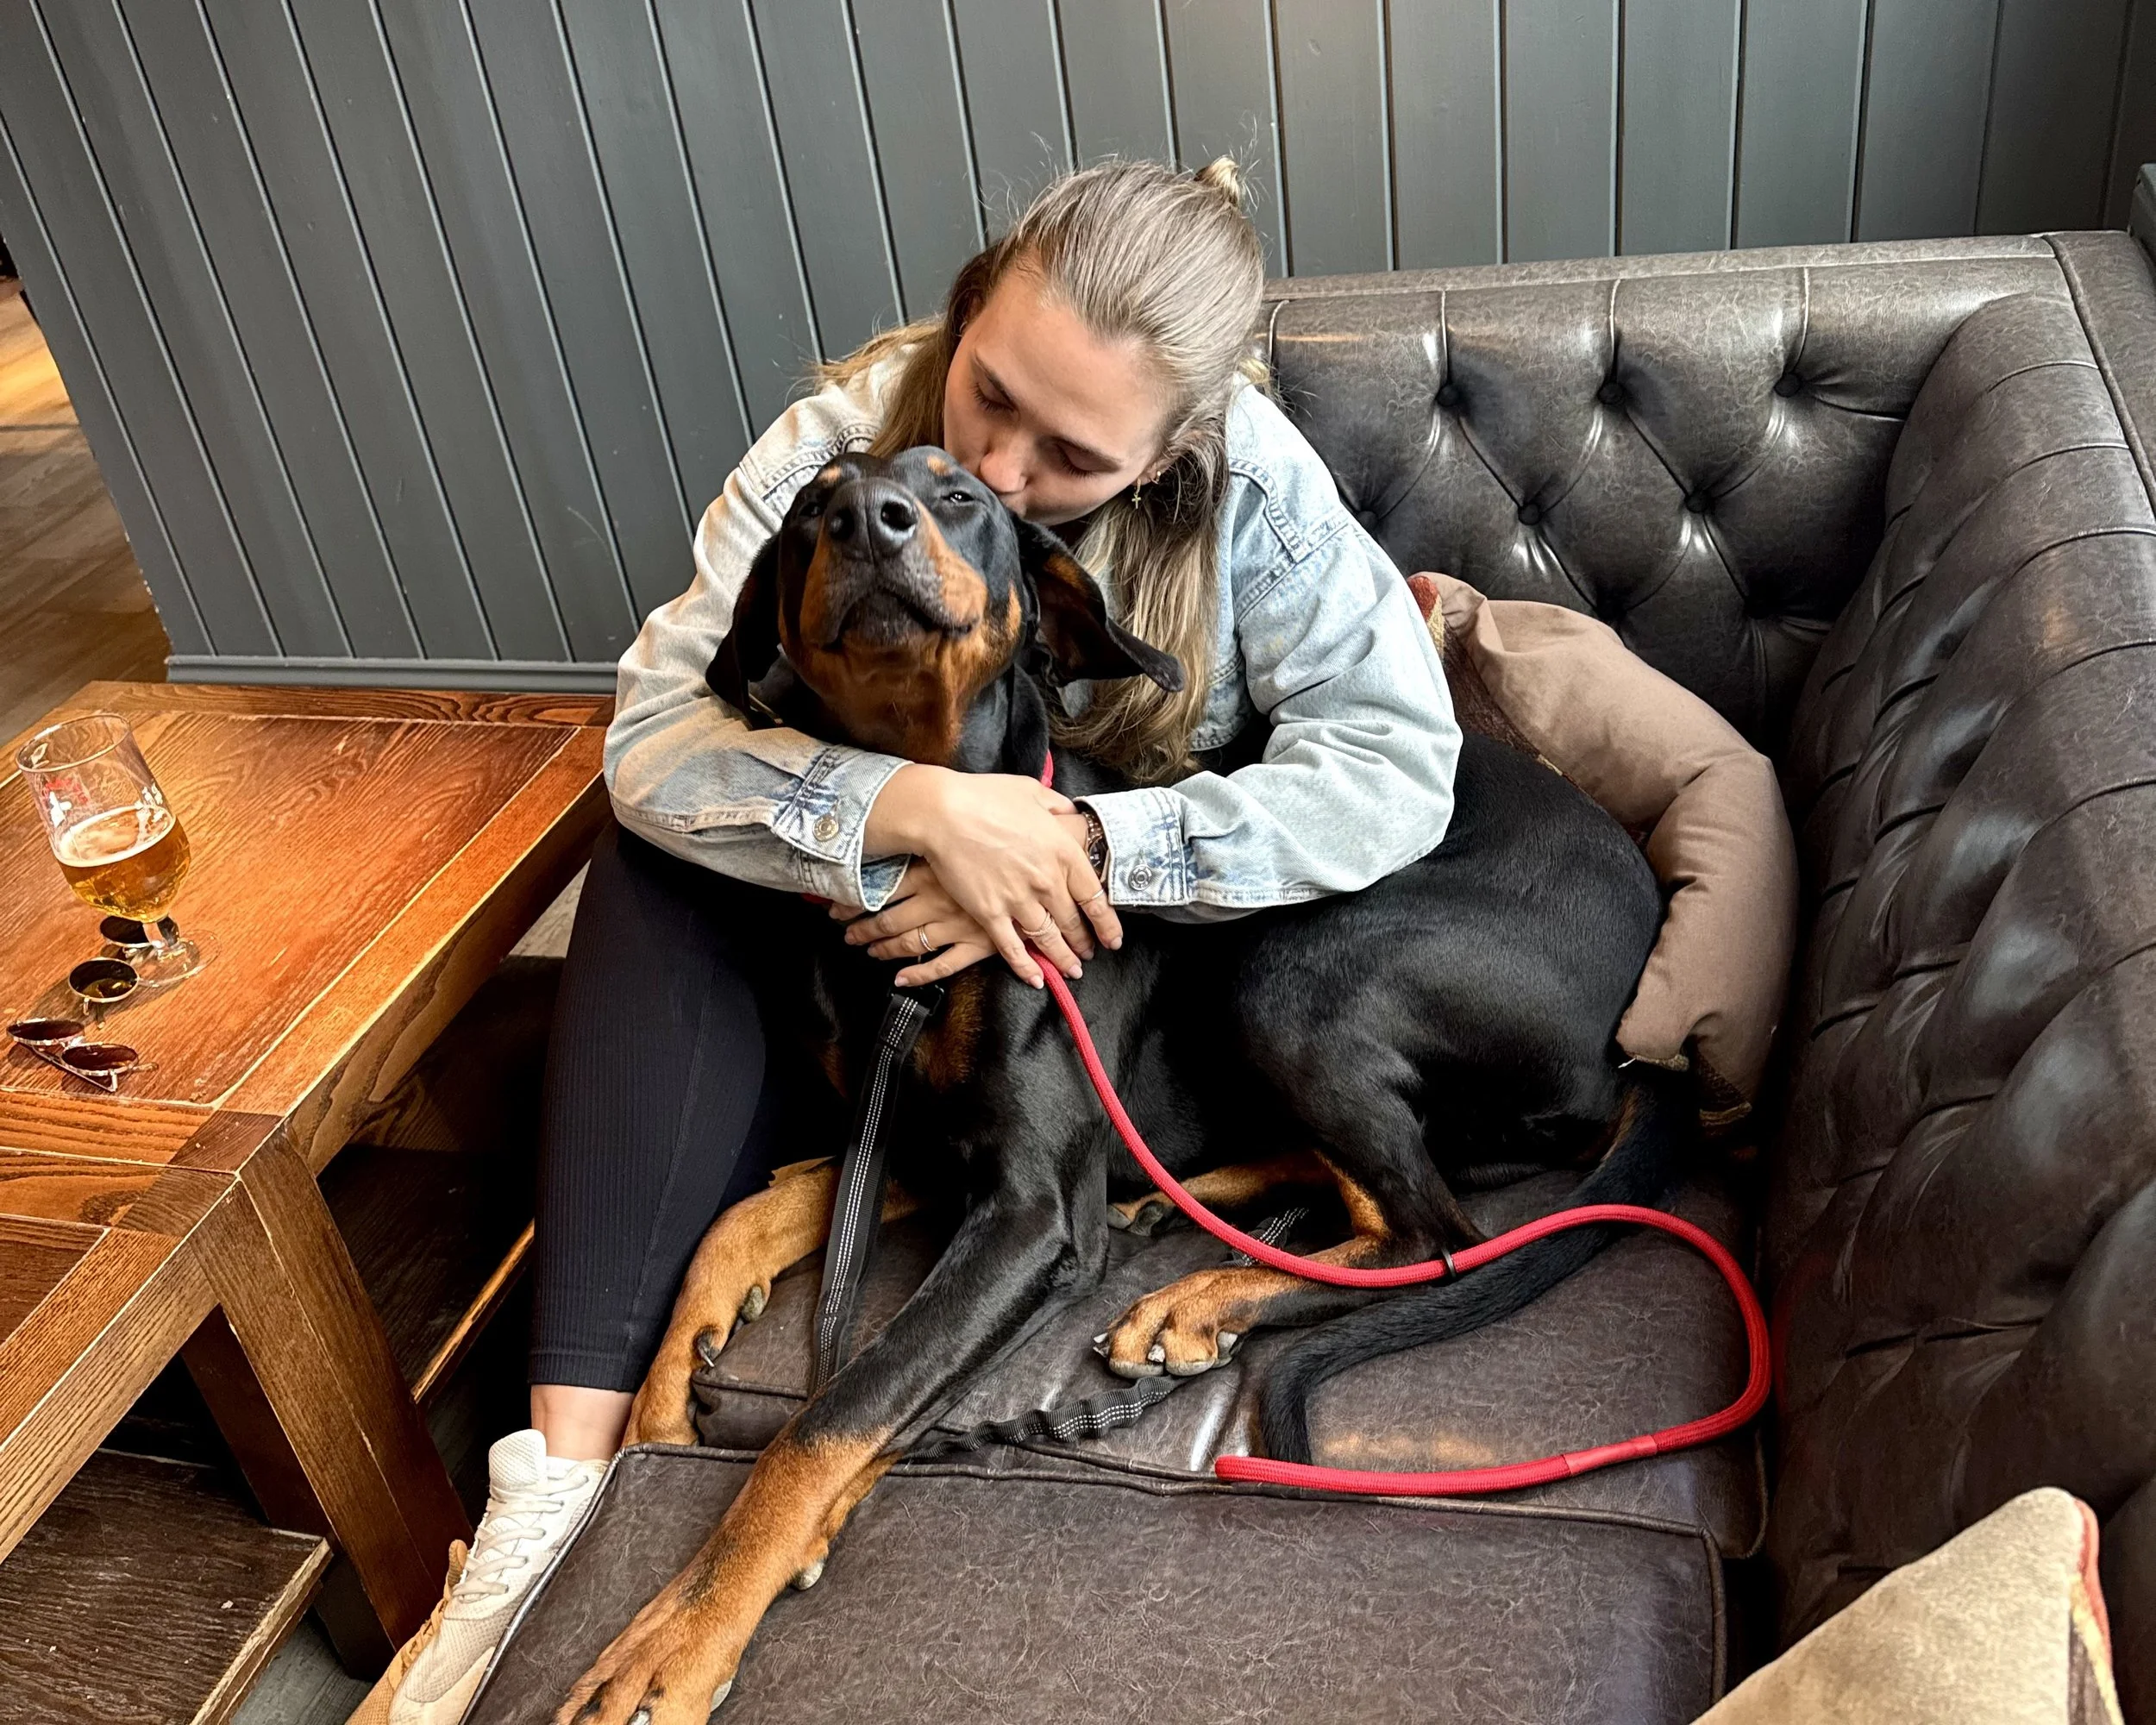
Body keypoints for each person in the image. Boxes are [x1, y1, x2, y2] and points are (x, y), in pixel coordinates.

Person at [387, 155, 1460, 1724]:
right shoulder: (833, 452)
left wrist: (1080, 841)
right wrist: (910, 812)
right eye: (985, 398)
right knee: (642, 857)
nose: (993, 468)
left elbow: (1398, 765)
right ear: (965, 316)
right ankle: (554, 1486)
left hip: (1124, 934)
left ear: (1166, 457)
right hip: (859, 894)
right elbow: (655, 743)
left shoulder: (1254, 493)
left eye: (1069, 455)